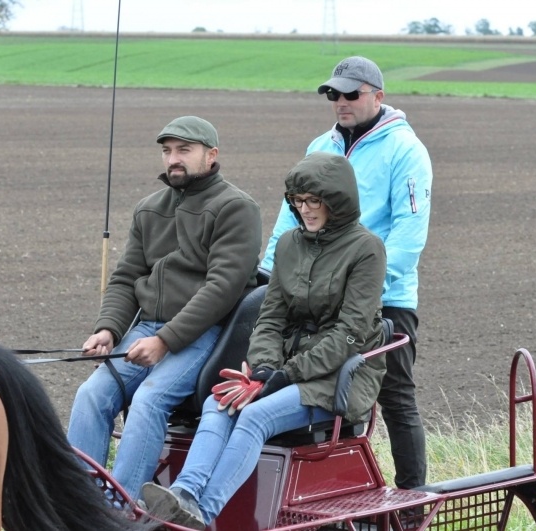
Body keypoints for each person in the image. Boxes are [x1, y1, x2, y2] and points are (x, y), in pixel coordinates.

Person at [139, 151, 388, 530]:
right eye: (298, 201)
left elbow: (349, 335)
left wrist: (285, 375)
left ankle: (202, 517)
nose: (305, 209)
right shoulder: (289, 244)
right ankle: (185, 496)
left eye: (314, 201)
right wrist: (265, 368)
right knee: (219, 402)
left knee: (254, 415)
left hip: (336, 376)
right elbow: (270, 317)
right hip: (283, 370)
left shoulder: (366, 249)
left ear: (336, 201)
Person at [67, 115, 262, 501]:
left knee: (149, 400)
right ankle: (78, 504)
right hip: (146, 330)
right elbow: (126, 278)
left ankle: (122, 512)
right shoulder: (148, 209)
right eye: (167, 151)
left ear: (211, 155)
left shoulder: (237, 208)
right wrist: (108, 329)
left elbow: (222, 289)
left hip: (207, 333)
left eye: (184, 150)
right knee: (90, 396)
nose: (173, 159)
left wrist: (165, 341)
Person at [261, 56, 433, 491]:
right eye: (333, 94)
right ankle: (330, 485)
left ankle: (411, 500)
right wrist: (266, 273)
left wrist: (367, 290)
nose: (341, 101)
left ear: (378, 96)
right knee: (304, 385)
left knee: (394, 396)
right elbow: (289, 220)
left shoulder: (406, 150)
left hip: (384, 297)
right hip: (316, 294)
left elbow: (409, 232)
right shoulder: (320, 146)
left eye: (352, 94)